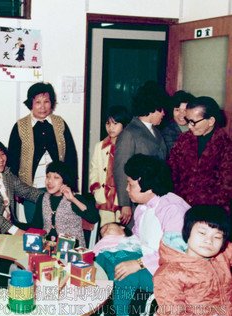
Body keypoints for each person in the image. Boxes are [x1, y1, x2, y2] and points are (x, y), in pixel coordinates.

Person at [111, 154, 190, 316]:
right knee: (109, 258)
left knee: (125, 275)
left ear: (147, 186)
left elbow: (175, 252)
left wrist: (138, 264)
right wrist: (114, 246)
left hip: (172, 270)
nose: (126, 189)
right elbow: (139, 239)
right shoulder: (143, 207)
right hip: (151, 259)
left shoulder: (172, 209)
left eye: (130, 185)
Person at [8, 82, 78, 223]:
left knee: (58, 225)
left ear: (51, 103)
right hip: (30, 189)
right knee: (35, 228)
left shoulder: (59, 123)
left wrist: (72, 184)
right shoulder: (21, 126)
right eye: (38, 102)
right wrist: (15, 189)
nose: (42, 106)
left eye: (46, 101)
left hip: (59, 187)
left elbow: (71, 155)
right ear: (31, 104)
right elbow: (13, 160)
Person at [154, 205, 232, 316]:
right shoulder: (169, 273)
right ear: (187, 232)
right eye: (202, 233)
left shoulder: (221, 255)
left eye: (217, 237)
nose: (209, 241)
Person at [114, 81, 169, 225]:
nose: (164, 113)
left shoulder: (156, 132)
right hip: (135, 200)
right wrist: (125, 204)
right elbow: (121, 170)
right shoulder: (129, 133)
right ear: (152, 108)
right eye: (161, 109)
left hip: (154, 197)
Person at [168, 96, 232, 213]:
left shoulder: (226, 147)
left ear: (211, 121)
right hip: (180, 207)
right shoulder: (183, 140)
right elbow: (172, 172)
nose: (189, 126)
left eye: (193, 122)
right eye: (188, 121)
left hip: (210, 212)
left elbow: (226, 188)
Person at [17, 161, 99, 247]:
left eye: (56, 177)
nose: (49, 181)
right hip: (48, 248)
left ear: (65, 180)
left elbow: (94, 218)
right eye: (48, 177)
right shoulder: (42, 198)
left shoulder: (75, 198)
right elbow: (36, 226)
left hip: (72, 250)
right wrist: (14, 224)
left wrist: (73, 199)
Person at [93, 222, 149, 316]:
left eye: (108, 225)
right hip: (121, 276)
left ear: (122, 227)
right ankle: (122, 315)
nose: (104, 228)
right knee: (123, 274)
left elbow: (151, 255)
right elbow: (96, 267)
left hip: (142, 271)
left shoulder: (136, 240)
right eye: (102, 231)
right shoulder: (102, 247)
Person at [89, 106, 131, 225]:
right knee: (105, 229)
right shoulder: (100, 146)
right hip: (104, 197)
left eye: (115, 124)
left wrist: (126, 201)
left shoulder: (127, 146)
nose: (111, 128)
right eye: (108, 123)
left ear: (124, 125)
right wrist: (95, 188)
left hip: (121, 198)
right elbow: (94, 169)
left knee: (121, 231)